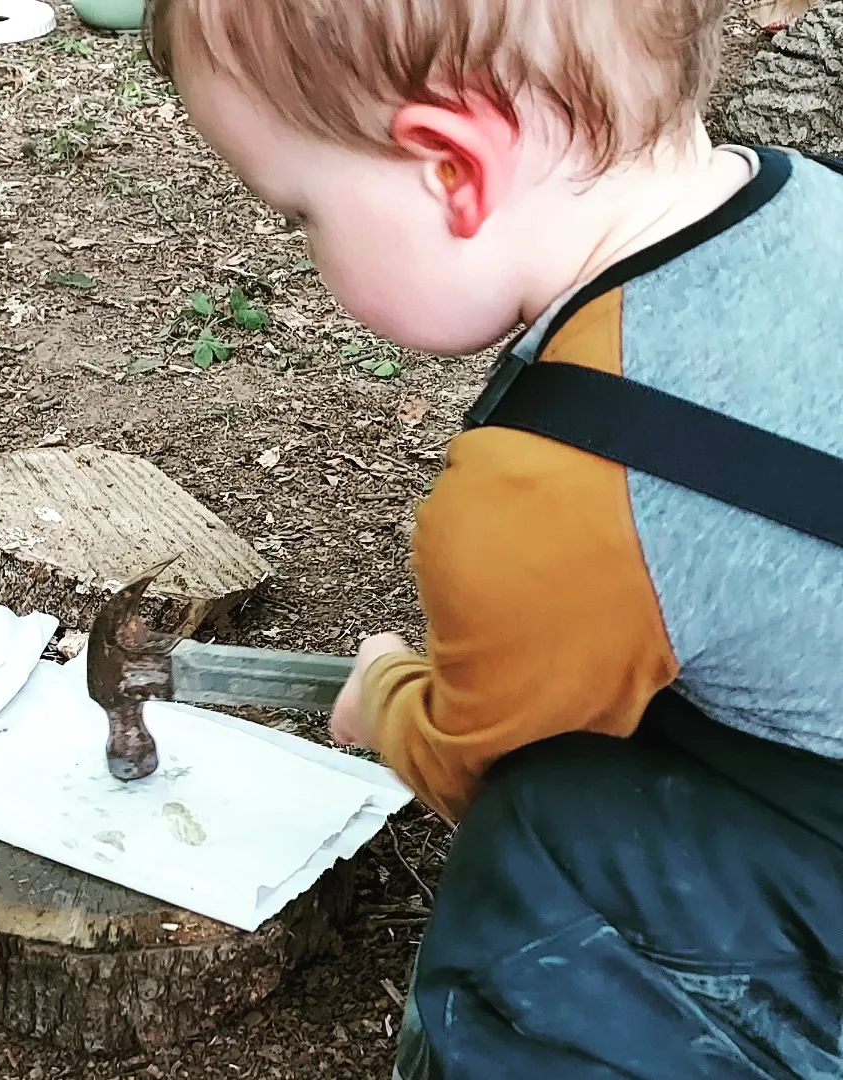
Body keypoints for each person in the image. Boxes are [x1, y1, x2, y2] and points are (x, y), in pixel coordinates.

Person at [142, 0, 843, 1074]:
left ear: (454, 173)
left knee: (542, 848)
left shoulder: (557, 488)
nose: (303, 248)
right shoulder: (810, 203)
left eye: (299, 215)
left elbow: (487, 760)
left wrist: (387, 697)